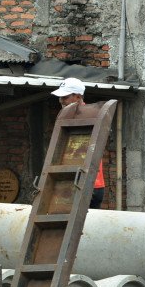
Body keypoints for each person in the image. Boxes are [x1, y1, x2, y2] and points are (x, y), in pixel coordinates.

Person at [51, 77, 105, 209]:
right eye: (60, 97)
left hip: (89, 184)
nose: (61, 100)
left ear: (78, 97)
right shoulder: (67, 116)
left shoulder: (89, 115)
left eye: (65, 96)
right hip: (73, 182)